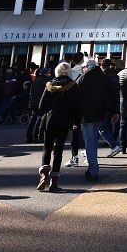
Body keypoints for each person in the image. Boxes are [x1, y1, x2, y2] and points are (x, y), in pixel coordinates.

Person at [36, 62, 82, 193]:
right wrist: (76, 122)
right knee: (59, 150)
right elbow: (77, 107)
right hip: (65, 120)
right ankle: (54, 182)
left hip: (50, 120)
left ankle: (44, 175)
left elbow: (41, 106)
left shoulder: (50, 85)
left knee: (47, 147)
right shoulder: (73, 86)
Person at [78, 59, 118, 181]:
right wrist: (116, 111)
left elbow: (76, 98)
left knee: (90, 142)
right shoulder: (104, 78)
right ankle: (93, 169)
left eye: (84, 67)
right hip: (101, 114)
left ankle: (93, 171)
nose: (83, 69)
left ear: (87, 67)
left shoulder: (83, 79)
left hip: (87, 115)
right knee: (93, 140)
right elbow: (113, 94)